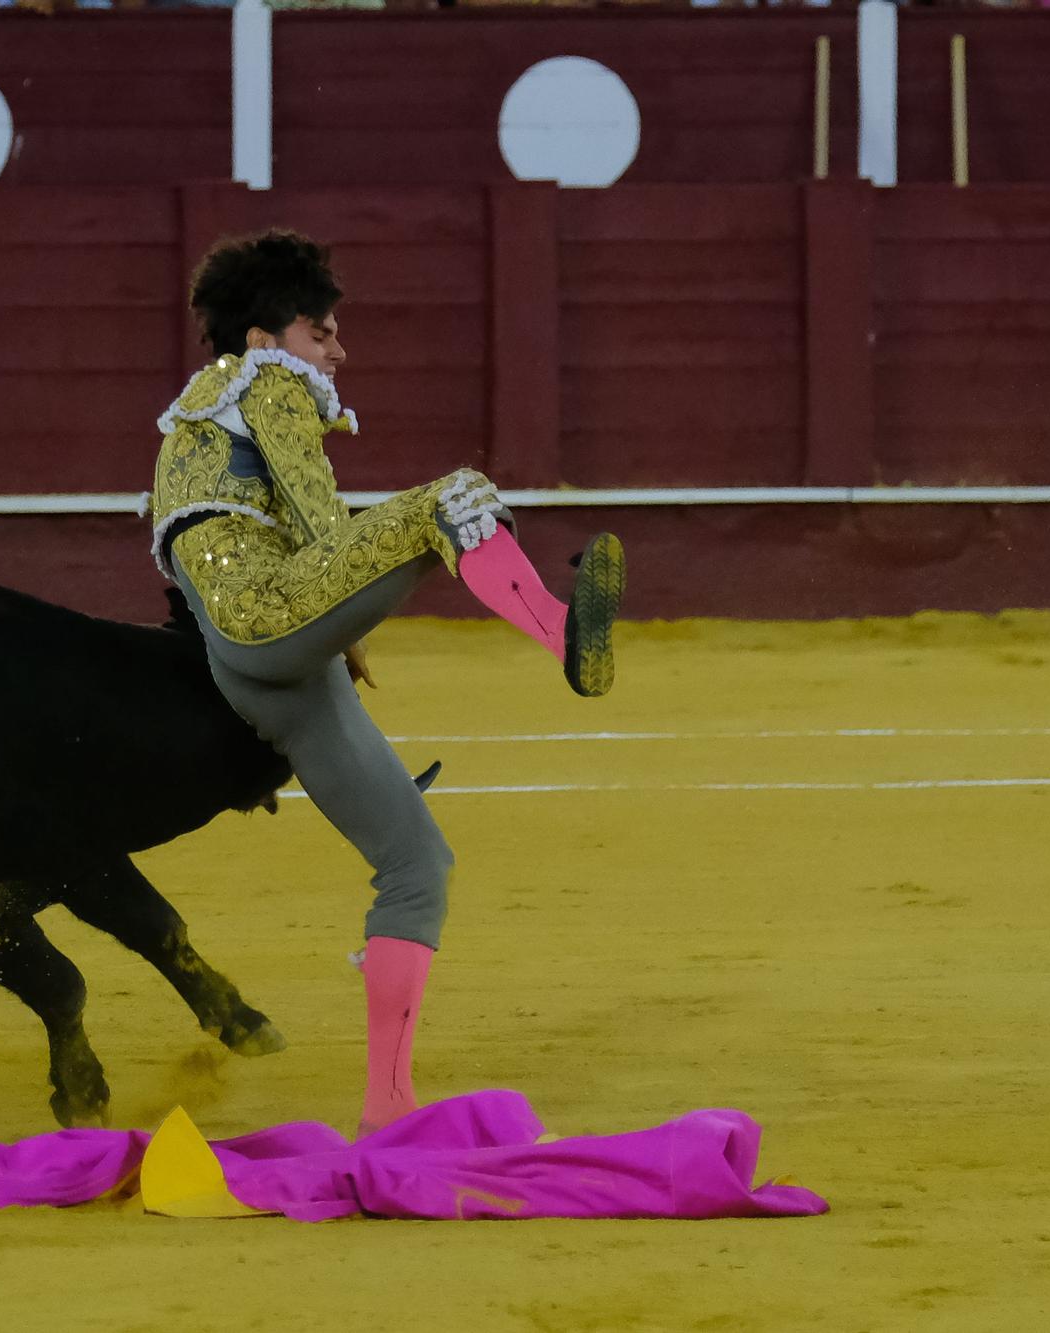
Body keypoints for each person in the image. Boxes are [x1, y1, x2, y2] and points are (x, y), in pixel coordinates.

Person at [147, 230, 626, 1136]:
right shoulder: (266, 382)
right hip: (268, 619)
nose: (336, 350)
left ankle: (389, 1106)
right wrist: (349, 592)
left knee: (415, 868)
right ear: (262, 337)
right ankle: (561, 634)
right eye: (318, 330)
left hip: (256, 665)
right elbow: (324, 526)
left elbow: (230, 539)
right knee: (456, 494)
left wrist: (334, 625)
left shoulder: (200, 410)